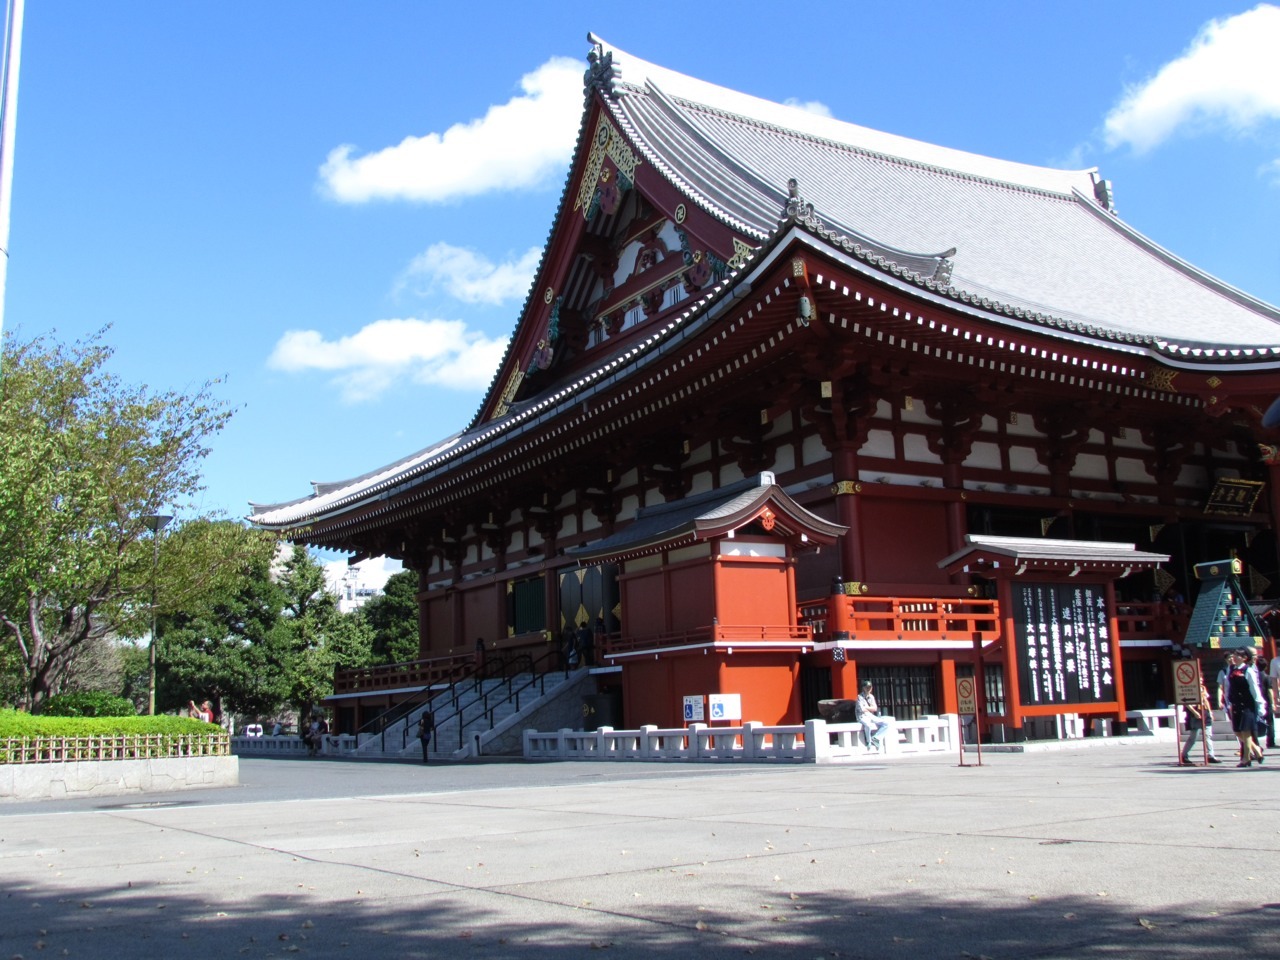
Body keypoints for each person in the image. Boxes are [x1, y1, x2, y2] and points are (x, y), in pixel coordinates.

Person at [1224, 650, 1265, 767]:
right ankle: (1256, 749)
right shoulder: (1231, 669)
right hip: (1236, 704)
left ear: (1244, 658)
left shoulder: (1248, 670)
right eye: (1234, 655)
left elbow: (1254, 689)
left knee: (1246, 731)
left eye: (1237, 655)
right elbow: (1227, 686)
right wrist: (1226, 702)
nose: (1234, 657)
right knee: (1237, 731)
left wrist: (1261, 705)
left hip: (1247, 705)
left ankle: (1246, 759)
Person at [1180, 676, 1221, 765]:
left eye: (1202, 679)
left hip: (1205, 712)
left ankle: (1210, 755)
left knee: (1208, 735)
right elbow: (1186, 702)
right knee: (1193, 737)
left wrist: (1210, 712)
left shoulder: (1203, 688)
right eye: (1199, 679)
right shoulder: (1190, 689)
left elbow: (1206, 700)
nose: (1201, 681)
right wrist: (1194, 712)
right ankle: (1184, 755)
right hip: (1195, 713)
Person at [856, 680, 892, 751]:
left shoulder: (871, 697)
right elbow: (862, 709)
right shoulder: (859, 697)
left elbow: (875, 708)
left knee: (886, 724)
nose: (868, 689)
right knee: (868, 725)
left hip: (870, 715)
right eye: (866, 687)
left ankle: (876, 738)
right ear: (863, 688)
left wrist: (867, 708)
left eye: (869, 687)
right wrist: (870, 708)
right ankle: (868, 742)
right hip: (861, 716)